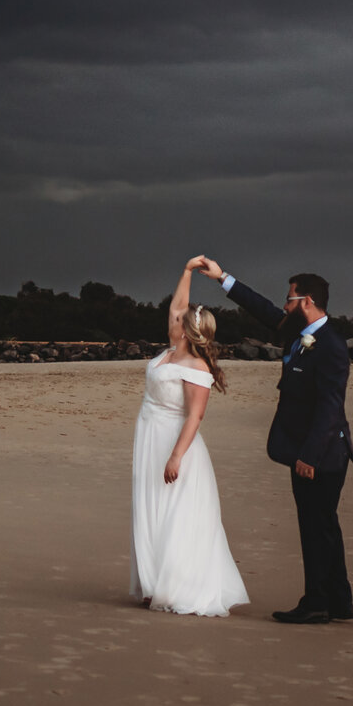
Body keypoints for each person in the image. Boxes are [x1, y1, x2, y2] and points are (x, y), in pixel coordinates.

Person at [188, 255, 353, 625]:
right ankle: (340, 601)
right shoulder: (301, 332)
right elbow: (262, 310)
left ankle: (317, 602)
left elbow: (330, 407)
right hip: (311, 448)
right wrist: (222, 278)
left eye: (289, 299)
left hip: (323, 453)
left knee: (315, 527)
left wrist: (309, 455)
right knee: (324, 525)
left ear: (306, 301)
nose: (285, 305)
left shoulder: (330, 344)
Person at [127, 261, 250, 617]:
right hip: (149, 436)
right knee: (149, 506)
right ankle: (152, 583)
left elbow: (195, 416)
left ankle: (173, 585)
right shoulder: (171, 350)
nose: (174, 318)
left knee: (173, 513)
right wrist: (186, 271)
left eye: (179, 320)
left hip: (173, 441)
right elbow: (176, 305)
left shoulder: (196, 367)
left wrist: (176, 456)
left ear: (186, 331)